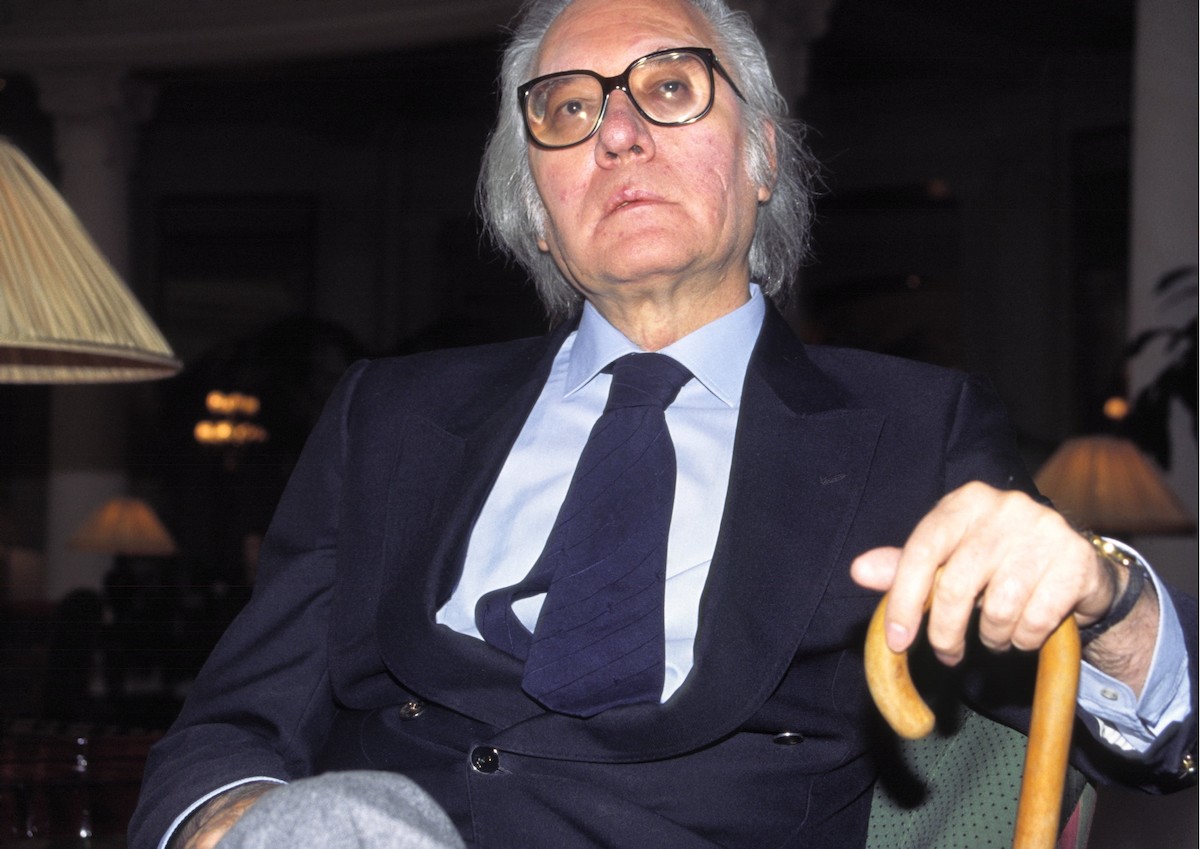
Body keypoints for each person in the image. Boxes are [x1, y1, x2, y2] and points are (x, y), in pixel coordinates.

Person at [130, 0, 1198, 846]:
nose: (619, 134)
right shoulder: (389, 416)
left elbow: (1141, 736)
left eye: (671, 88)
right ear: (536, 211)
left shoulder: (916, 427)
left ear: (763, 157)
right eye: (567, 111)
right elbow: (231, 727)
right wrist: (241, 825)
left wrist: (1110, 600)